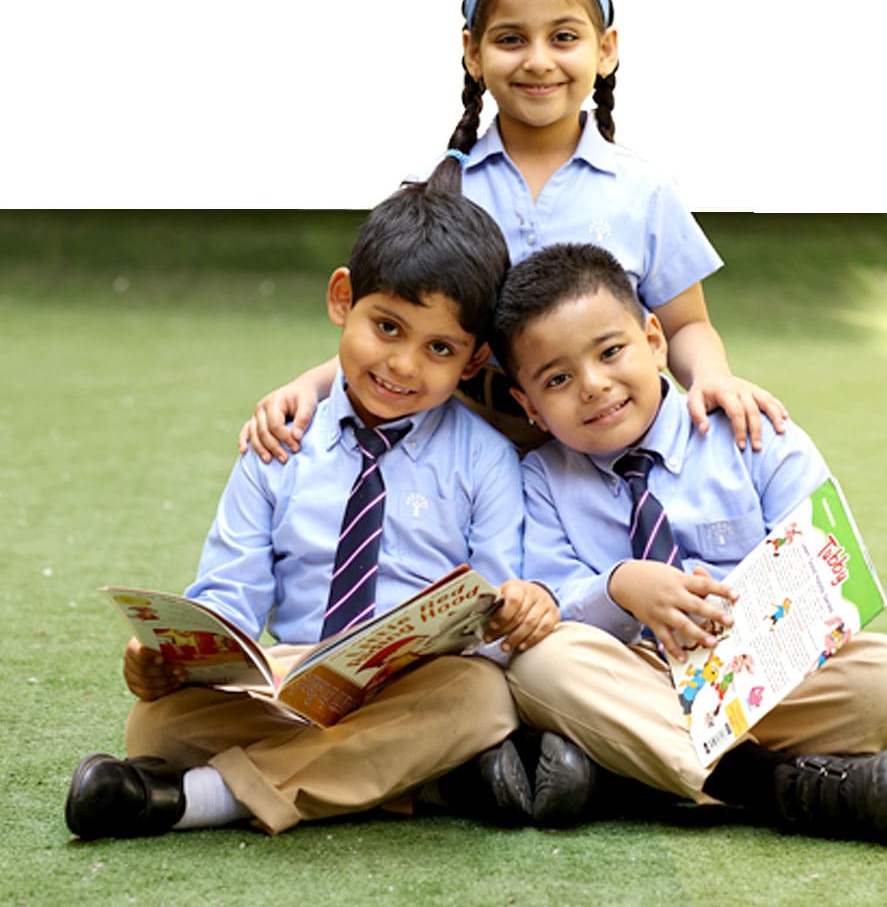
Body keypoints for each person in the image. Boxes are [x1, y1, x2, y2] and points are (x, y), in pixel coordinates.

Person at [64, 185, 564, 841]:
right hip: (291, 682)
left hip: (417, 681)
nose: (403, 364)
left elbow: (494, 603)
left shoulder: (487, 460)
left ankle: (197, 799)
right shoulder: (280, 444)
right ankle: (429, 782)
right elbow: (228, 596)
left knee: (481, 699)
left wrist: (517, 606)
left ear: (473, 359)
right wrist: (170, 661)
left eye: (440, 349)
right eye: (387, 327)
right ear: (342, 299)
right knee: (155, 725)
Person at [240, 0, 788, 462]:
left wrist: (712, 376)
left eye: (564, 37)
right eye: (510, 39)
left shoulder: (642, 190)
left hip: (604, 460)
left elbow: (685, 324)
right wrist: (310, 386)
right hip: (460, 465)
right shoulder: (435, 187)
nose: (538, 60)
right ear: (472, 53)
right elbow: (399, 331)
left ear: (606, 50)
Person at [489, 242, 887, 845]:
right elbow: (550, 599)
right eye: (557, 379)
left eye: (611, 352)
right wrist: (620, 588)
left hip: (761, 676)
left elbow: (831, 562)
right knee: (541, 666)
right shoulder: (540, 479)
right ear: (529, 407)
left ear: (654, 340)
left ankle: (619, 772)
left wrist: (753, 630)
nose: (593, 385)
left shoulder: (749, 429)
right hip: (635, 673)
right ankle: (769, 784)